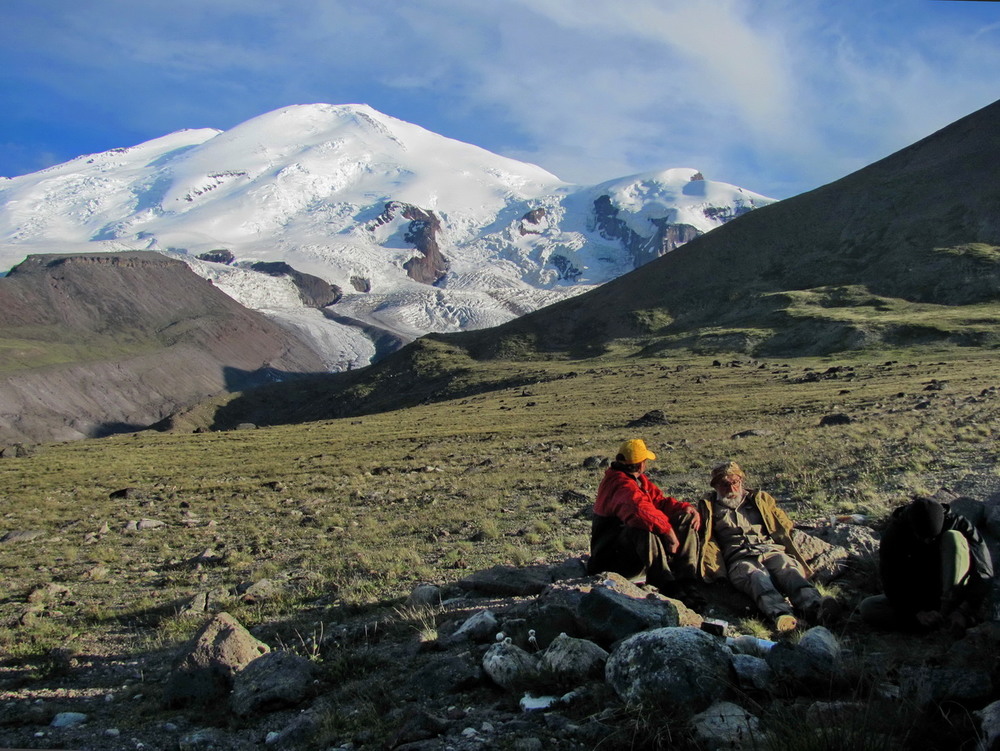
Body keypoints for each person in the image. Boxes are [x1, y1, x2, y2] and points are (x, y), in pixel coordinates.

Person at [696, 461, 839, 632]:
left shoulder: (760, 500)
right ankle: (782, 616)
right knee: (756, 577)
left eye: (735, 482)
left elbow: (783, 523)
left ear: (741, 481)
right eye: (725, 484)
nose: (731, 488)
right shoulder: (708, 508)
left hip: (770, 549)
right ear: (716, 486)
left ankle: (817, 607)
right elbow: (707, 539)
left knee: (788, 568)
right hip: (738, 558)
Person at [586, 439, 702, 599]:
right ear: (641, 464)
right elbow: (638, 510)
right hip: (611, 562)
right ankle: (667, 586)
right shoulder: (620, 484)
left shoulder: (636, 481)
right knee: (642, 528)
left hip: (627, 555)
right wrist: (668, 531)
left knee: (685, 518)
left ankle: (687, 581)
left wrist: (683, 508)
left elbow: (659, 502)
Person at [860, 496, 994, 633]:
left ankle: (955, 617)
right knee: (868, 607)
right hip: (920, 598)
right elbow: (890, 581)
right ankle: (932, 623)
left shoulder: (959, 524)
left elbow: (984, 570)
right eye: (922, 538)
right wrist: (916, 612)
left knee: (953, 538)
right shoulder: (895, 533)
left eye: (932, 538)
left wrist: (965, 608)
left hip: (957, 594)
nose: (927, 542)